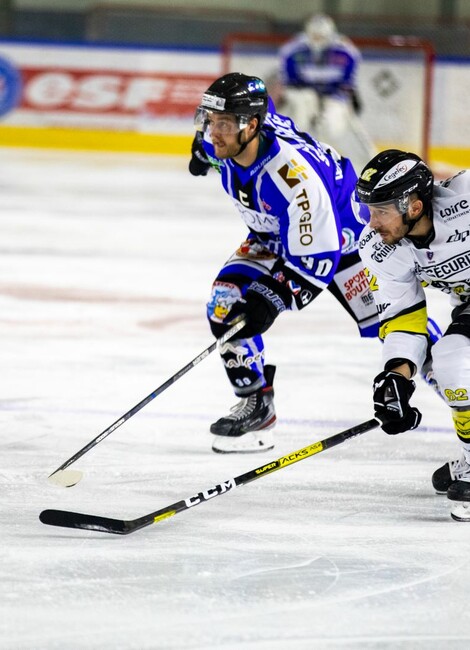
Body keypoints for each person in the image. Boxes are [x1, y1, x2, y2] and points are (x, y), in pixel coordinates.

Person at [188, 72, 388, 454]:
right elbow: (236, 119)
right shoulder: (230, 138)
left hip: (344, 240)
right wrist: (202, 149)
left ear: (251, 126)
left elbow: (317, 255)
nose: (214, 132)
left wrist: (270, 298)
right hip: (276, 236)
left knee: (400, 330)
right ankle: (257, 407)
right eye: (210, 121)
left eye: (224, 125)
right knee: (226, 303)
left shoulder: (293, 178)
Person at [355, 149, 470, 522]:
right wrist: (396, 377)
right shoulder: (383, 250)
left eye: (381, 211)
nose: (373, 223)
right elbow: (403, 316)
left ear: (414, 206)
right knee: (451, 361)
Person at [277, 13, 375, 173]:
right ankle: (295, 156)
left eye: (321, 36)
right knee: (300, 117)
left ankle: (362, 162)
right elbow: (289, 83)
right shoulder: (293, 51)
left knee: (332, 127)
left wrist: (347, 97)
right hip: (304, 96)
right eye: (314, 36)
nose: (317, 40)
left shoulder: (346, 52)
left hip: (334, 97)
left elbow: (347, 83)